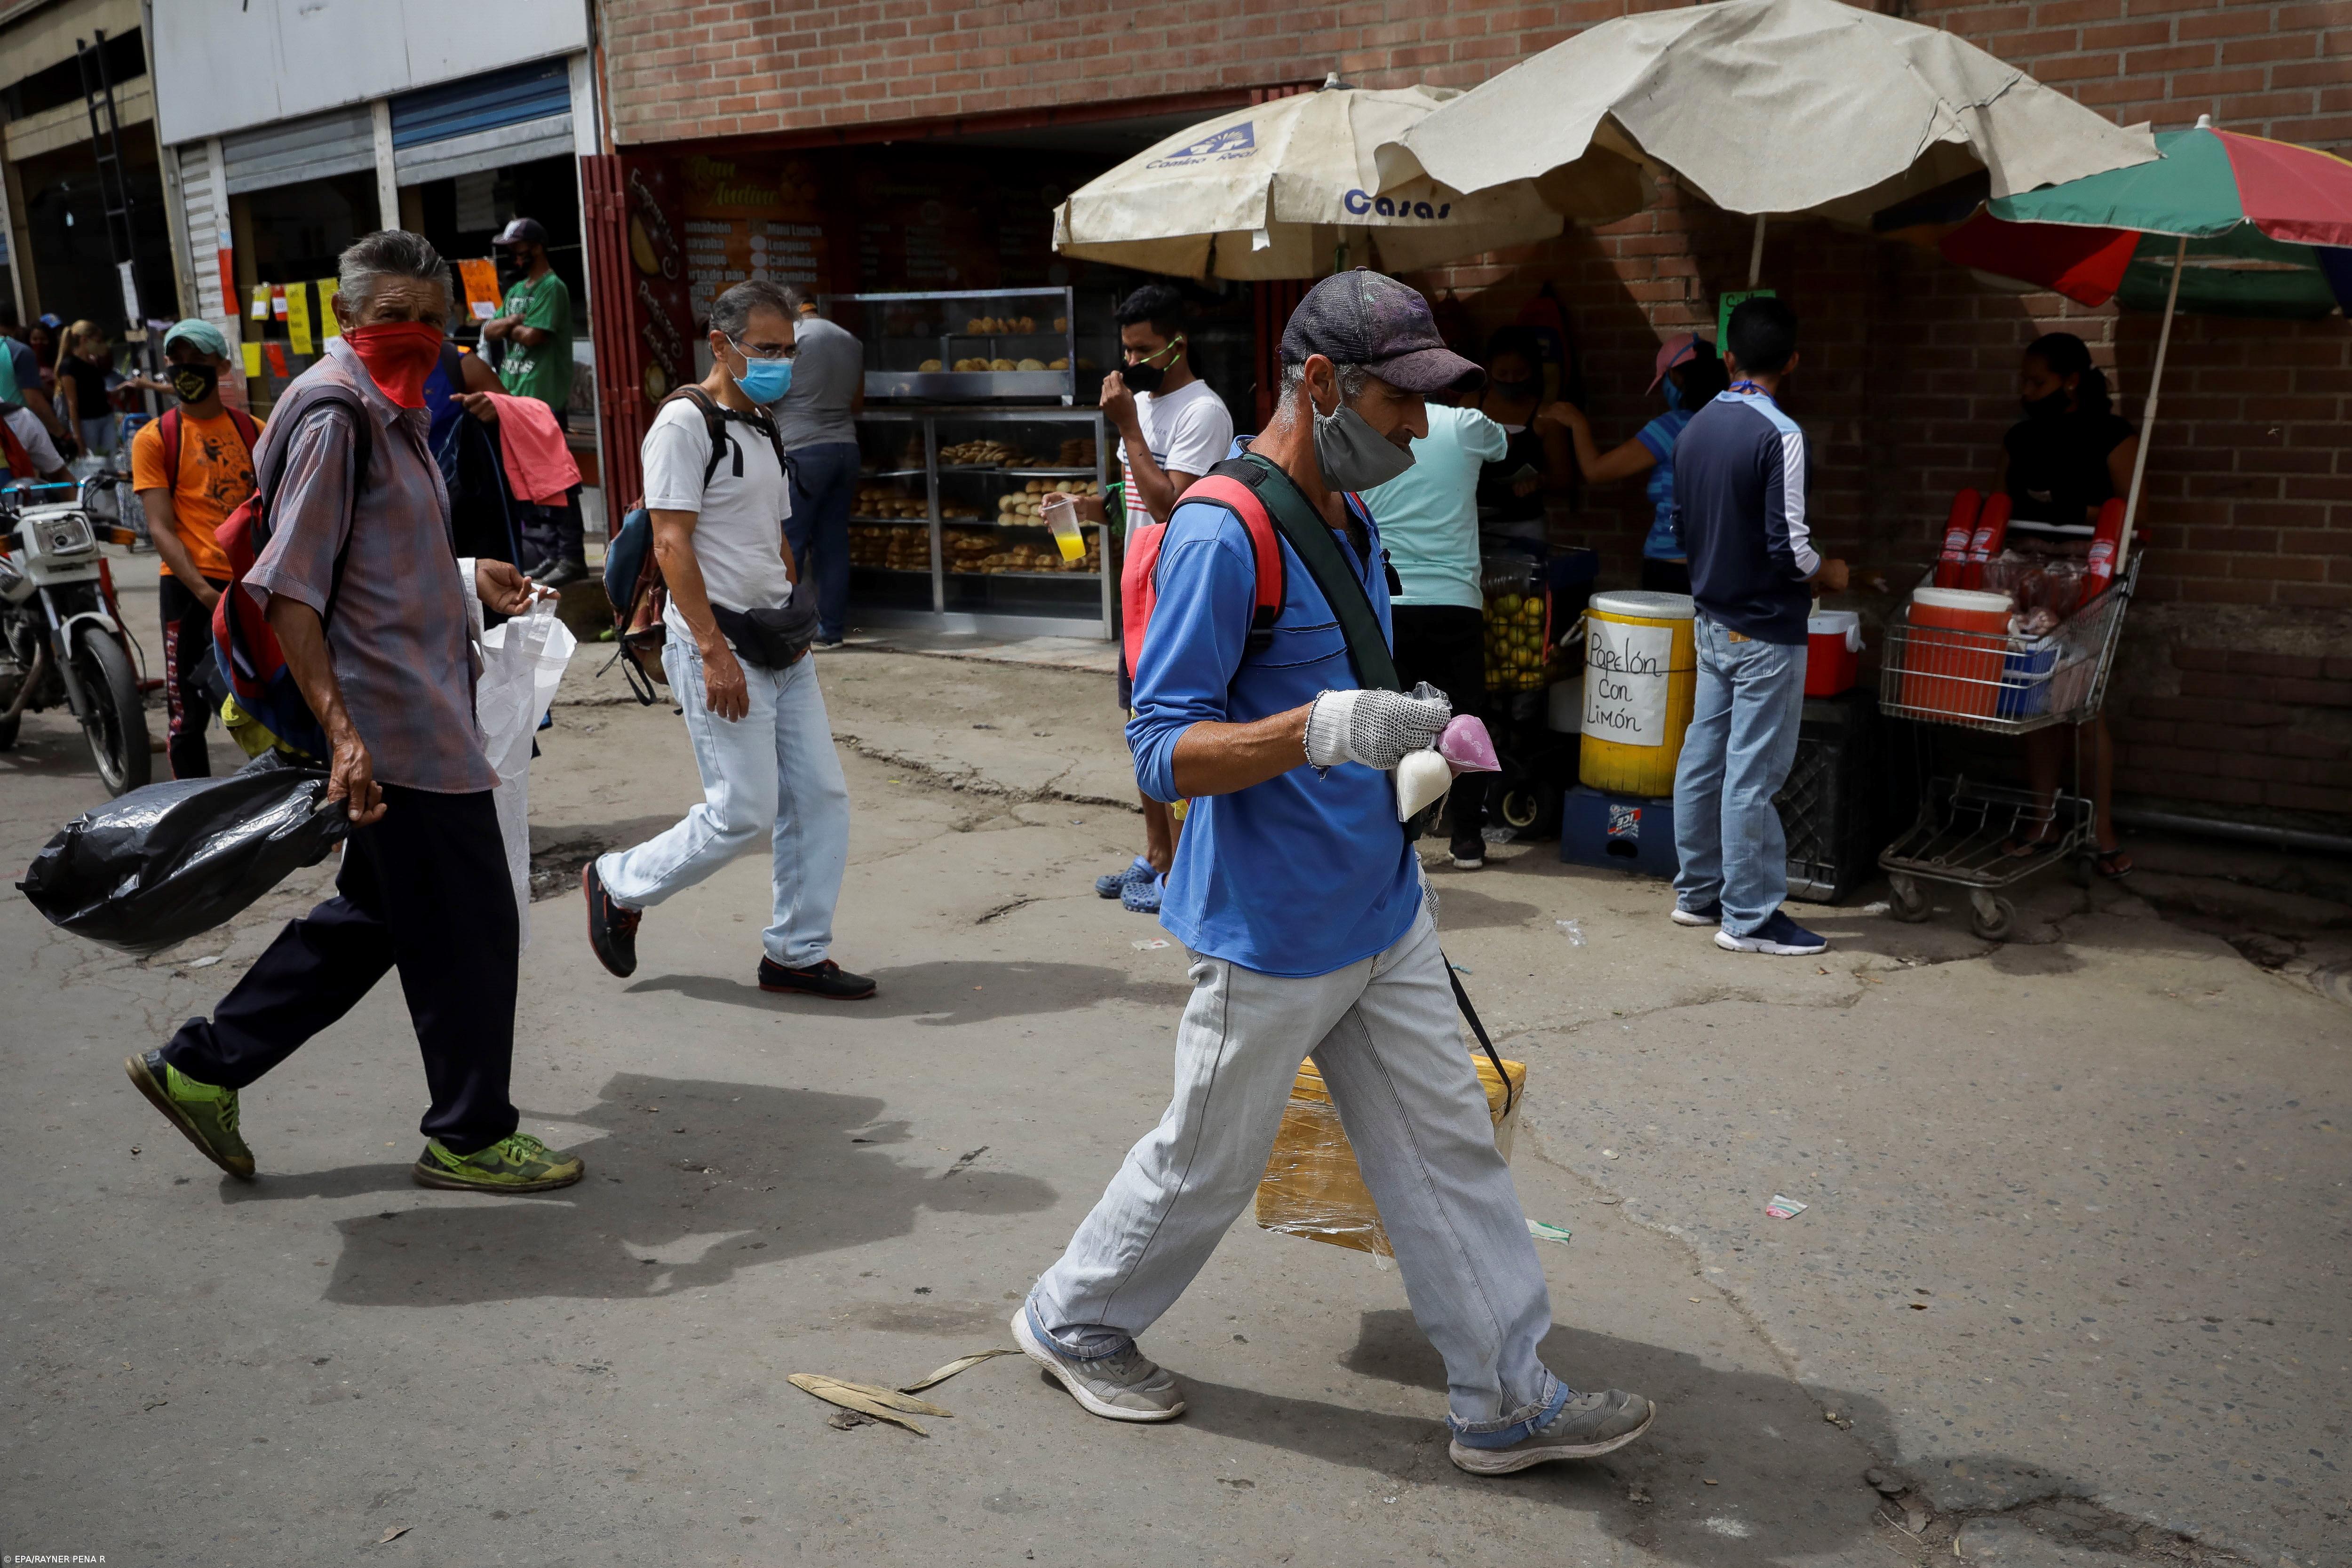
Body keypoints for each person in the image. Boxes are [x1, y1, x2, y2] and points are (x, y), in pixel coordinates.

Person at [1017, 269, 1656, 1475]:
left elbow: (1345, 695)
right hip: (1270, 928)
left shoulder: (1351, 522)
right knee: (1204, 1164)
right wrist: (1315, 731)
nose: (1415, 430)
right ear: (1320, 384)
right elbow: (1159, 746)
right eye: (1400, 403)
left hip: (1380, 902)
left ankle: (1506, 1399)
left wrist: (1404, 733)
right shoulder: (1222, 529)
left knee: (1445, 1148)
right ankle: (1071, 1318)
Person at [125, 229, 586, 1194]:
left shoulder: (392, 407)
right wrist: (345, 735)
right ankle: (468, 1131)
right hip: (394, 729)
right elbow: (292, 589)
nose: (414, 334)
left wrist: (465, 576)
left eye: (431, 319)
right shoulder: (339, 412)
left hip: (412, 713)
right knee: (472, 926)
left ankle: (200, 1067)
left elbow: (369, 563)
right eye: (393, 318)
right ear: (346, 319)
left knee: (373, 918)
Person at [580, 279, 871, 1001]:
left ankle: (797, 954)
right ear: (721, 345)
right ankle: (618, 882)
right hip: (719, 644)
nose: (780, 363)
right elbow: (673, 544)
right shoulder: (684, 424)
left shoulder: (765, 424)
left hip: (780, 641)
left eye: (787, 351)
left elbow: (776, 538)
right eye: (765, 349)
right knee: (743, 809)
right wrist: (712, 651)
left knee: (821, 799)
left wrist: (797, 619)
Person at [1669, 296, 1849, 957]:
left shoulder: (1692, 430)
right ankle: (1749, 917)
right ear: (1794, 361)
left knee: (1704, 756)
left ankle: (1697, 894)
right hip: (1768, 627)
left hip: (1711, 617)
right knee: (1752, 774)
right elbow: (1791, 547)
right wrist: (1828, 572)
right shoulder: (1781, 434)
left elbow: (1680, 530)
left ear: (1728, 356)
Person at [1054, 283, 1234, 915]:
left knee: (1175, 729)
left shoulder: (1202, 412)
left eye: (1144, 351)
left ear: (1179, 344)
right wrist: (1085, 507)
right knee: (1139, 726)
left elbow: (1169, 504)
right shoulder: (1145, 405)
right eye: (1126, 351)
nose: (1132, 364)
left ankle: (1184, 866)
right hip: (1138, 598)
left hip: (1178, 597)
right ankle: (1157, 852)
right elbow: (1134, 501)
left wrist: (1128, 425)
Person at [1994, 331, 2138, 879]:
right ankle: (2040, 819)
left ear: (2071, 381)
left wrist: (2079, 509)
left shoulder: (2111, 435)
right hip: (2026, 578)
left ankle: (2101, 829)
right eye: (2023, 381)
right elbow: (1995, 506)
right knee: (2033, 697)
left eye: (2038, 381)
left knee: (2081, 701)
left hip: (2086, 583)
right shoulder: (2019, 437)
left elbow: (2137, 513)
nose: (2027, 391)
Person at [1361, 377, 1508, 869]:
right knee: (1464, 721)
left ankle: (1399, 833)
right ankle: (1466, 838)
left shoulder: (1365, 428)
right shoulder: (1466, 424)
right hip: (1454, 601)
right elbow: (1503, 445)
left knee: (1391, 721)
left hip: (1387, 600)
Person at [128, 319, 262, 779]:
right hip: (189, 592)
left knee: (265, 699)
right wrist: (207, 596)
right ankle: (193, 817)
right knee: (187, 716)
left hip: (249, 589)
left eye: (200, 360)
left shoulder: (255, 432)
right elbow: (161, 529)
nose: (187, 369)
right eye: (179, 360)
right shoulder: (155, 438)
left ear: (222, 365)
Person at [1549, 333, 1731, 594]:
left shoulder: (1671, 428)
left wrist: (1577, 423)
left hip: (1672, 571)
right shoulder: (1735, 422)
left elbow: (1596, 471)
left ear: (1676, 377)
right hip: (1722, 569)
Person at [481, 217, 584, 587]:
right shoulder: (517, 290)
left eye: (518, 248)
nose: (513, 255)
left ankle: (571, 556)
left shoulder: (552, 287)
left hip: (542, 402)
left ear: (537, 247)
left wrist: (512, 325)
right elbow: (490, 329)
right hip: (515, 403)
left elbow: (534, 336)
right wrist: (514, 322)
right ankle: (552, 554)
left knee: (556, 481)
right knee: (534, 485)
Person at [775, 288, 864, 647]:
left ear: (788, 309)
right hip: (846, 447)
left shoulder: (792, 339)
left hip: (802, 450)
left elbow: (772, 393)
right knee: (833, 543)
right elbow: (857, 403)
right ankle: (833, 631)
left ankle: (788, 631)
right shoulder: (850, 340)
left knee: (790, 541)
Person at [1464, 328, 1574, 551]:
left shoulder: (1547, 417)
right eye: (1503, 374)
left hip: (1524, 525)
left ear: (1533, 371)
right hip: (1472, 524)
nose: (1511, 381)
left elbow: (1563, 479)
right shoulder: (1470, 405)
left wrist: (1539, 481)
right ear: (1488, 369)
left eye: (1520, 373)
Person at [0, 313, 72, 459]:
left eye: (44, 339)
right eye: (35, 339)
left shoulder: (57, 361)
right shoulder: (19, 353)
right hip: (26, 430)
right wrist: (63, 435)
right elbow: (35, 401)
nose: (39, 344)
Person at [56, 321, 119, 458]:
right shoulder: (69, 366)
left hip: (105, 416)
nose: (100, 344)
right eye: (98, 341)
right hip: (87, 421)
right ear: (84, 340)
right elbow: (72, 404)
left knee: (111, 458)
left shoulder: (93, 362)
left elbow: (97, 392)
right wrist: (78, 437)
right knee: (92, 461)